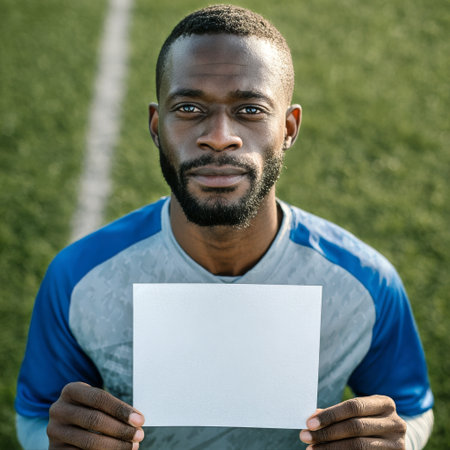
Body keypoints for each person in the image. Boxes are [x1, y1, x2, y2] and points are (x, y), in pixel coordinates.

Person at [15, 5, 434, 449]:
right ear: (157, 126)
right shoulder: (77, 277)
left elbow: (412, 408)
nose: (218, 136)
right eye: (190, 107)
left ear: (289, 128)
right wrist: (53, 441)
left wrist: (397, 442)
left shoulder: (366, 283)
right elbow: (36, 413)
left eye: (250, 109)